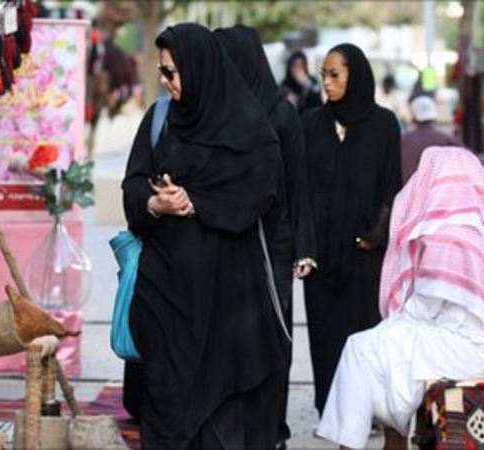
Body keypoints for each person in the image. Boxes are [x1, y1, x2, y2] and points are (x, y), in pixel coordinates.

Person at [122, 23, 289, 449]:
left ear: (199, 70)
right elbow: (133, 183)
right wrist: (154, 204)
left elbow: (260, 189)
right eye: (162, 71)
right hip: (166, 291)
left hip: (228, 299)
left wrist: (196, 202)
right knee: (164, 397)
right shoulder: (159, 120)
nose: (165, 81)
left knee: (222, 414)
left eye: (172, 72)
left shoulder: (250, 129)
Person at [316, 147, 484, 449]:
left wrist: (396, 319)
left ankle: (355, 443)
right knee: (384, 351)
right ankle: (389, 442)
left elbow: (424, 308)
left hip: (474, 352)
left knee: (364, 348)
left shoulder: (447, 236)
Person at [215, 24, 317, 448]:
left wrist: (304, 247)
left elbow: (298, 185)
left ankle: (269, 427)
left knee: (273, 336)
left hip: (274, 245)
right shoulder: (217, 110)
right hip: (228, 241)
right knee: (230, 336)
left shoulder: (280, 113)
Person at [300, 43, 402, 416]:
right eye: (323, 74)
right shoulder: (310, 124)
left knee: (363, 336)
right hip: (322, 255)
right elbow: (300, 190)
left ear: (355, 75)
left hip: (364, 254)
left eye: (334, 74)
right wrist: (305, 245)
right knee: (325, 336)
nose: (325, 82)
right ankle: (331, 409)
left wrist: (375, 234)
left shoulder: (384, 124)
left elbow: (391, 185)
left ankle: (365, 412)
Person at [400, 95, 462, 184]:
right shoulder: (447, 140)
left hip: (407, 195)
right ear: (434, 116)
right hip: (439, 195)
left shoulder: (402, 141)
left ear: (413, 117)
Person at [281, 49, 323, 114]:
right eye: (295, 65)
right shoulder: (284, 85)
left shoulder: (312, 81)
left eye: (301, 65)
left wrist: (307, 85)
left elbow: (319, 103)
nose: (298, 69)